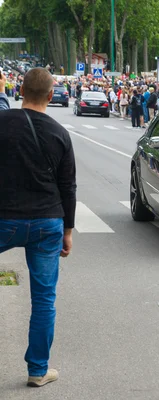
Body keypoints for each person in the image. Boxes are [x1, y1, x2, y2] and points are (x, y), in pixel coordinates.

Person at [0, 68, 76, 387]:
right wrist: (68, 231)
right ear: (49, 96)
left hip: (4, 217)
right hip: (47, 221)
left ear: (20, 91)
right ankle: (38, 370)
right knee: (44, 299)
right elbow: (67, 186)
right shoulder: (60, 132)